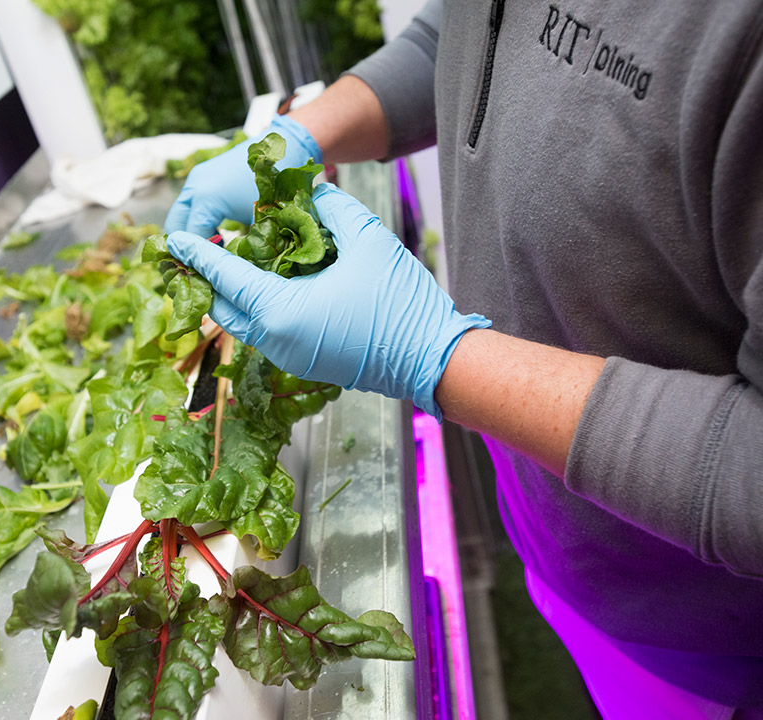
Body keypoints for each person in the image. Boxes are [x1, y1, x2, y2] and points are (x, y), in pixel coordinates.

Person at [162, 1, 763, 717]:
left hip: (700, 631)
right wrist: (301, 134)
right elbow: (468, 32)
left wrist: (439, 357)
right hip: (566, 533)